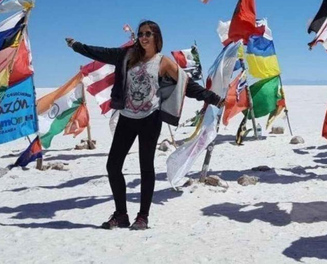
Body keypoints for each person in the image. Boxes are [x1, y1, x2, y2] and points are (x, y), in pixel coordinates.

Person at [65, 20, 222, 231]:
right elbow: (101, 53)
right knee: (113, 166)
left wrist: (213, 98)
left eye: (148, 33)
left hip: (150, 119)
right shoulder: (127, 56)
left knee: (145, 167)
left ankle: (143, 217)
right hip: (127, 117)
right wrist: (77, 46)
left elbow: (187, 85)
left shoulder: (163, 62)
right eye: (141, 34)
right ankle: (121, 215)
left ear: (157, 37)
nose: (143, 37)